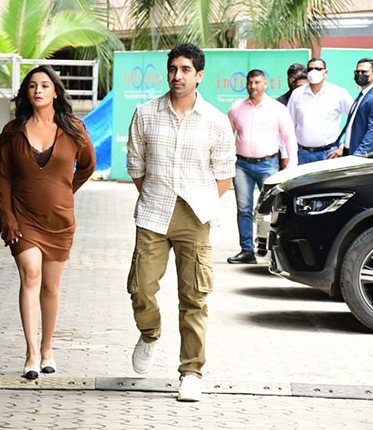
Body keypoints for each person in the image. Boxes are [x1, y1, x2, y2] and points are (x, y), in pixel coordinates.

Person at [126, 44, 235, 402]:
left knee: (195, 298)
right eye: (173, 69)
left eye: (186, 70)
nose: (177, 76)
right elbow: (136, 166)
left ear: (199, 75)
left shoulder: (216, 121)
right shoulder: (145, 113)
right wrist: (157, 195)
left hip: (196, 215)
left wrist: (199, 202)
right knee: (141, 287)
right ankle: (150, 333)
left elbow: (224, 175)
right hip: (154, 212)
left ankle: (191, 372)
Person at [0, 65, 96, 380]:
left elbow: (88, 166)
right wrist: (7, 217)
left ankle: (48, 347)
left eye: (44, 85)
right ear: (27, 92)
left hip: (60, 220)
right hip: (23, 218)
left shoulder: (74, 129)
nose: (38, 90)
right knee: (31, 276)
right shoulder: (13, 131)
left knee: (50, 287)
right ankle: (31, 353)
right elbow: (2, 179)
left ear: (55, 92)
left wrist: (66, 191)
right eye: (32, 86)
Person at [226, 69, 297, 264]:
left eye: (257, 82)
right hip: (241, 165)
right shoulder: (236, 108)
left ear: (265, 84)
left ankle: (270, 250)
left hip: (268, 165)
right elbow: (226, 137)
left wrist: (292, 163)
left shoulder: (277, 109)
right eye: (250, 83)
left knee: (270, 209)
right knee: (243, 208)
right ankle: (247, 250)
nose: (253, 86)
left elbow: (289, 137)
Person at [287, 57, 353, 164]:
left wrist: (343, 147)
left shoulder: (338, 93)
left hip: (329, 153)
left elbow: (354, 119)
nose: (313, 72)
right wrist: (288, 154)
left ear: (325, 72)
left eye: (317, 69)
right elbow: (288, 124)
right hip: (302, 154)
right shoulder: (297, 94)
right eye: (310, 69)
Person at [328, 58, 373, 158]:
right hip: (350, 152)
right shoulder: (363, 95)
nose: (360, 74)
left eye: (364, 72)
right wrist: (343, 147)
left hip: (365, 156)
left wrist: (359, 154)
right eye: (357, 71)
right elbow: (352, 125)